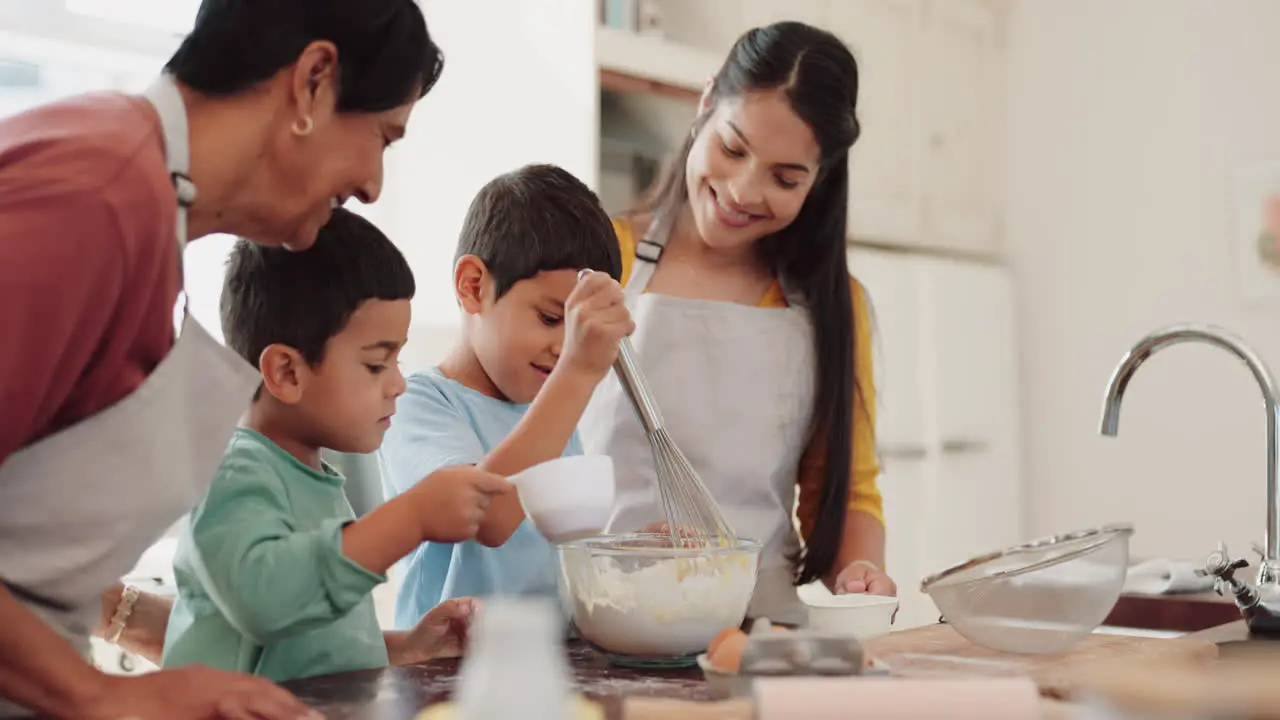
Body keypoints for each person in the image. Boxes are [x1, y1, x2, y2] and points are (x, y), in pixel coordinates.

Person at [0, 1, 468, 717]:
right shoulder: (97, 193)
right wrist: (95, 695)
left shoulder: (147, 208)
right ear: (313, 81)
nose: (373, 184)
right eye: (382, 136)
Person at [579, 21, 896, 629]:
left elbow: (848, 490)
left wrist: (861, 575)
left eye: (785, 178)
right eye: (733, 147)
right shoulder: (601, 256)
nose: (742, 191)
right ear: (704, 105)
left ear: (819, 178)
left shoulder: (833, 306)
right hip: (605, 619)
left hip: (761, 629)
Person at [161, 208, 506, 682]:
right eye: (376, 365)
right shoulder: (235, 470)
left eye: (398, 360)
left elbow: (307, 645)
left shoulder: (313, 476)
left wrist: (406, 647)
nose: (398, 384)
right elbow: (266, 603)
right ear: (286, 372)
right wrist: (411, 518)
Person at [378, 164, 633, 628]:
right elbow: (487, 517)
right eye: (551, 319)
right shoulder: (417, 405)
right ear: (473, 286)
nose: (563, 347)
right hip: (449, 676)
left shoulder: (548, 411)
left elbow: (560, 556)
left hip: (546, 662)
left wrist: (631, 551)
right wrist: (577, 372)